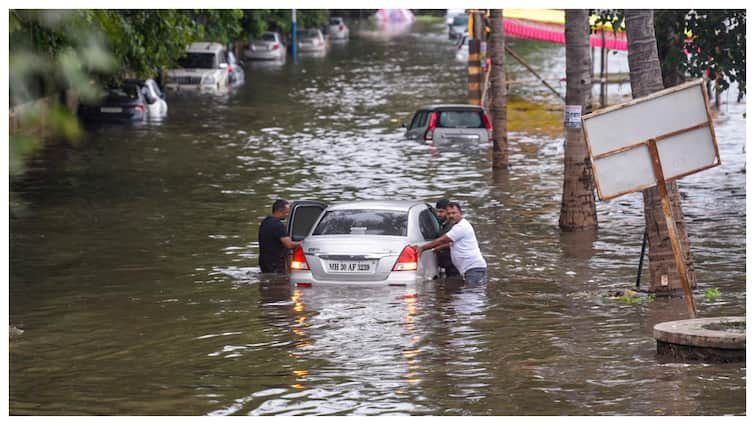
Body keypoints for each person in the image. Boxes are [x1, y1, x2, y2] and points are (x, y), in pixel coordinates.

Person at [417, 201, 487, 284]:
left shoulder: (461, 227)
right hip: (471, 269)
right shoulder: (458, 225)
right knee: (470, 294)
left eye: (454, 213)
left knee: (471, 294)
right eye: (449, 213)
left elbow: (442, 240)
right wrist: (439, 248)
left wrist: (422, 248)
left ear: (461, 213)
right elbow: (452, 243)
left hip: (473, 269)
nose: (451, 216)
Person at [258, 199, 301, 274]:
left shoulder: (265, 222)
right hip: (275, 263)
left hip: (264, 261)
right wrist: (304, 243)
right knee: (280, 283)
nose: (288, 215)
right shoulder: (278, 226)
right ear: (280, 210)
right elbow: (289, 245)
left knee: (268, 282)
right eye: (287, 212)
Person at [434, 198, 459, 277]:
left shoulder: (453, 225)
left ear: (447, 212)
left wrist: (436, 248)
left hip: (454, 265)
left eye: (441, 212)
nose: (438, 214)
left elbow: (452, 242)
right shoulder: (442, 224)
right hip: (448, 265)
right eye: (437, 211)